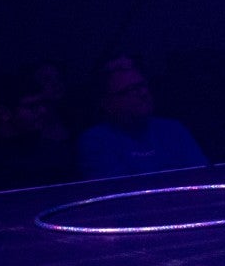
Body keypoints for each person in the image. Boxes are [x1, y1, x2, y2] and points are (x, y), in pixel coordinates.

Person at [77, 60, 207, 180]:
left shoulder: (173, 129)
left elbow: (201, 176)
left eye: (142, 86)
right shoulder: (96, 140)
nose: (143, 93)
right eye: (131, 90)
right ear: (108, 103)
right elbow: (116, 189)